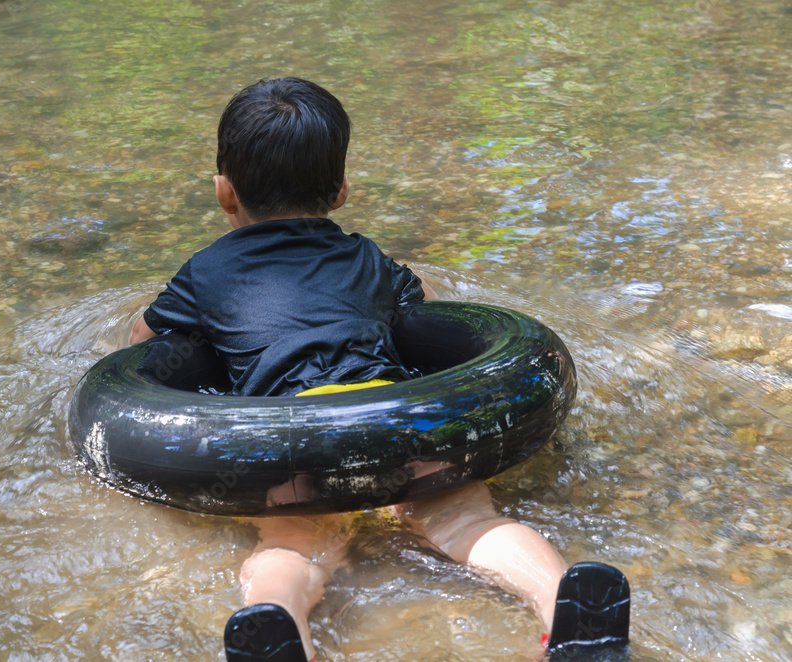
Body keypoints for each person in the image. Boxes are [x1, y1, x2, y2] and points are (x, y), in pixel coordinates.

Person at [128, 77, 630, 661]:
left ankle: (282, 621)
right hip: (394, 420)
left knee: (297, 545)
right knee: (464, 519)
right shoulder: (365, 255)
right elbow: (427, 312)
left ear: (223, 192)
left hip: (298, 436)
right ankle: (560, 603)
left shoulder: (207, 271)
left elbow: (141, 343)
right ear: (340, 190)